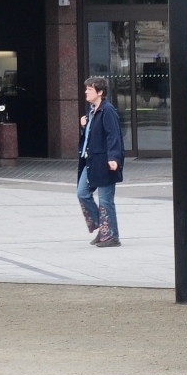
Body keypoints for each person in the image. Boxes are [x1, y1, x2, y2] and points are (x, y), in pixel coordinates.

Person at [77, 76, 125, 247]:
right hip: (90, 160)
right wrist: (83, 126)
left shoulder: (107, 110)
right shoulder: (92, 111)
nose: (86, 92)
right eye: (86, 89)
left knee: (105, 200)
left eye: (89, 89)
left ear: (100, 92)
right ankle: (104, 230)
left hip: (104, 161)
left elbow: (114, 136)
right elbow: (92, 136)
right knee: (82, 192)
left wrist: (114, 158)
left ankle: (111, 236)